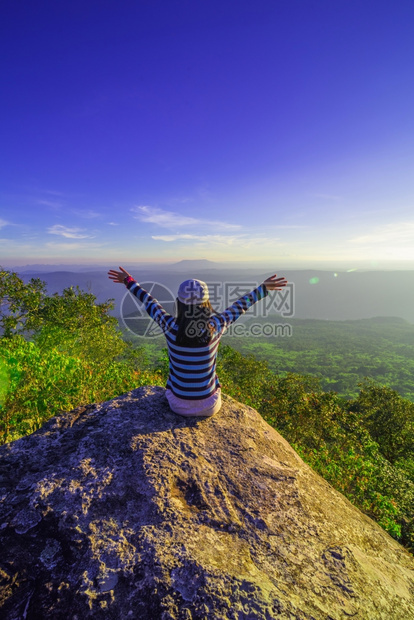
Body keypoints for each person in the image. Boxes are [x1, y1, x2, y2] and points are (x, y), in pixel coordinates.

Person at [108, 266, 288, 417]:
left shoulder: (169, 325)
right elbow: (240, 306)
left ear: (179, 303)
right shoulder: (216, 326)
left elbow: (149, 301)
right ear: (206, 303)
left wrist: (129, 281)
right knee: (214, 378)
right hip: (209, 407)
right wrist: (263, 288)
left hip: (176, 405)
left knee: (172, 380)